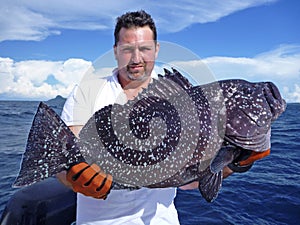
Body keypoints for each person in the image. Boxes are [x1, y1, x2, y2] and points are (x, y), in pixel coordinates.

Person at [57, 10, 265, 225]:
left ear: (156, 50)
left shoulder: (180, 99)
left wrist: (236, 163)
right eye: (127, 49)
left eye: (145, 49)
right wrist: (75, 180)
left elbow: (189, 182)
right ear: (115, 51)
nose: (136, 59)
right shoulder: (88, 91)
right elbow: (63, 162)